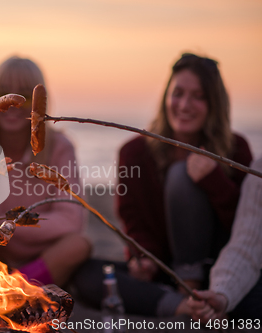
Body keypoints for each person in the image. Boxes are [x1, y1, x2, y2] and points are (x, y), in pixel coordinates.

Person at [72, 53, 252, 317]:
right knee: (87, 275)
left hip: (221, 276)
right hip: (164, 273)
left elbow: (246, 228)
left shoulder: (236, 150)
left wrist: (214, 181)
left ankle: (191, 290)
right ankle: (184, 305)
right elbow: (133, 221)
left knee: (181, 175)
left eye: (198, 96)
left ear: (214, 104)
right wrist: (142, 258)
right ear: (166, 96)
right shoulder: (134, 152)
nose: (184, 104)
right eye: (177, 93)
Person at [0, 56, 91, 287]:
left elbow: (71, 220)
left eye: (25, 96)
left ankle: (17, 291)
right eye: (3, 93)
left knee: (78, 245)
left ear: (40, 103)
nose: (13, 105)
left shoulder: (59, 146)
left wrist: (7, 224)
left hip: (44, 254)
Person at [188, 157, 262, 321]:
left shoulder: (238, 147)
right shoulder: (260, 167)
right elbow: (246, 245)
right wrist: (221, 295)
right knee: (245, 303)